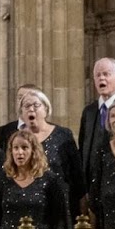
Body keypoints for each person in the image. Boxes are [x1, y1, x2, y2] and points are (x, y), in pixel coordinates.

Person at [0, 130, 70, 229]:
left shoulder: (50, 179)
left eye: (25, 147)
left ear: (33, 151)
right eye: (16, 148)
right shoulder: (3, 180)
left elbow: (60, 219)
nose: (20, 152)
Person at [20, 88, 85, 216]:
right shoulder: (17, 139)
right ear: (22, 113)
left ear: (46, 109)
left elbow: (77, 173)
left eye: (36, 105)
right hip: (29, 203)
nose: (31, 109)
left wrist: (83, 204)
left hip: (61, 203)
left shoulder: (63, 135)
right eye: (26, 106)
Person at [79, 58, 115, 186]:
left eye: (106, 74)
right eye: (98, 75)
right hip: (91, 183)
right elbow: (83, 147)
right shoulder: (88, 112)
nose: (101, 78)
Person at [0, 83, 39, 151]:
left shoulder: (52, 131)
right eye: (20, 98)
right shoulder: (3, 132)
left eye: (27, 98)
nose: (22, 102)